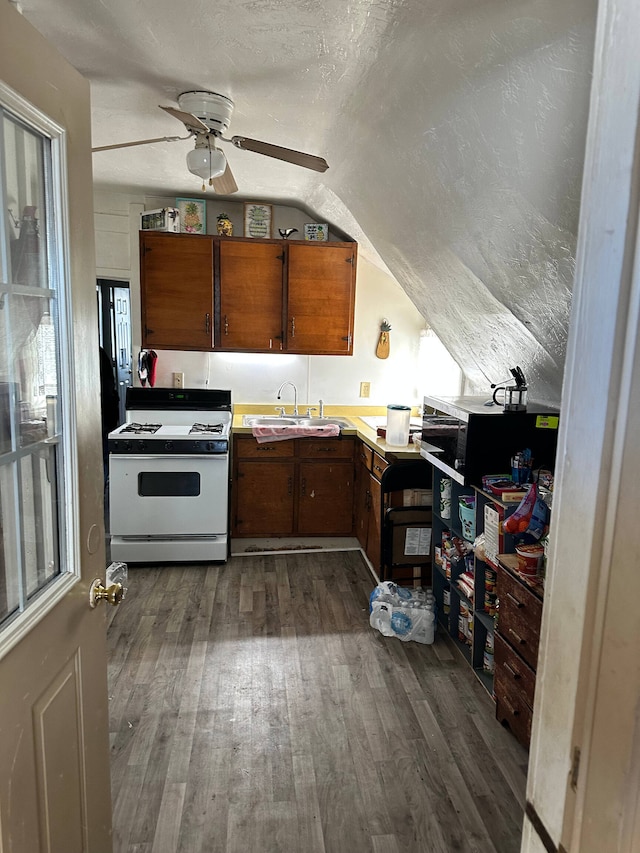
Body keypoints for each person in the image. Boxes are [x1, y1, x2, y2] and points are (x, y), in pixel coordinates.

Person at [99, 346, 119, 483]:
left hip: (103, 415)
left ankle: (101, 493)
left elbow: (107, 388)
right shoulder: (99, 353)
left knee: (103, 458)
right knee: (104, 459)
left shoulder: (96, 354)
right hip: (107, 414)